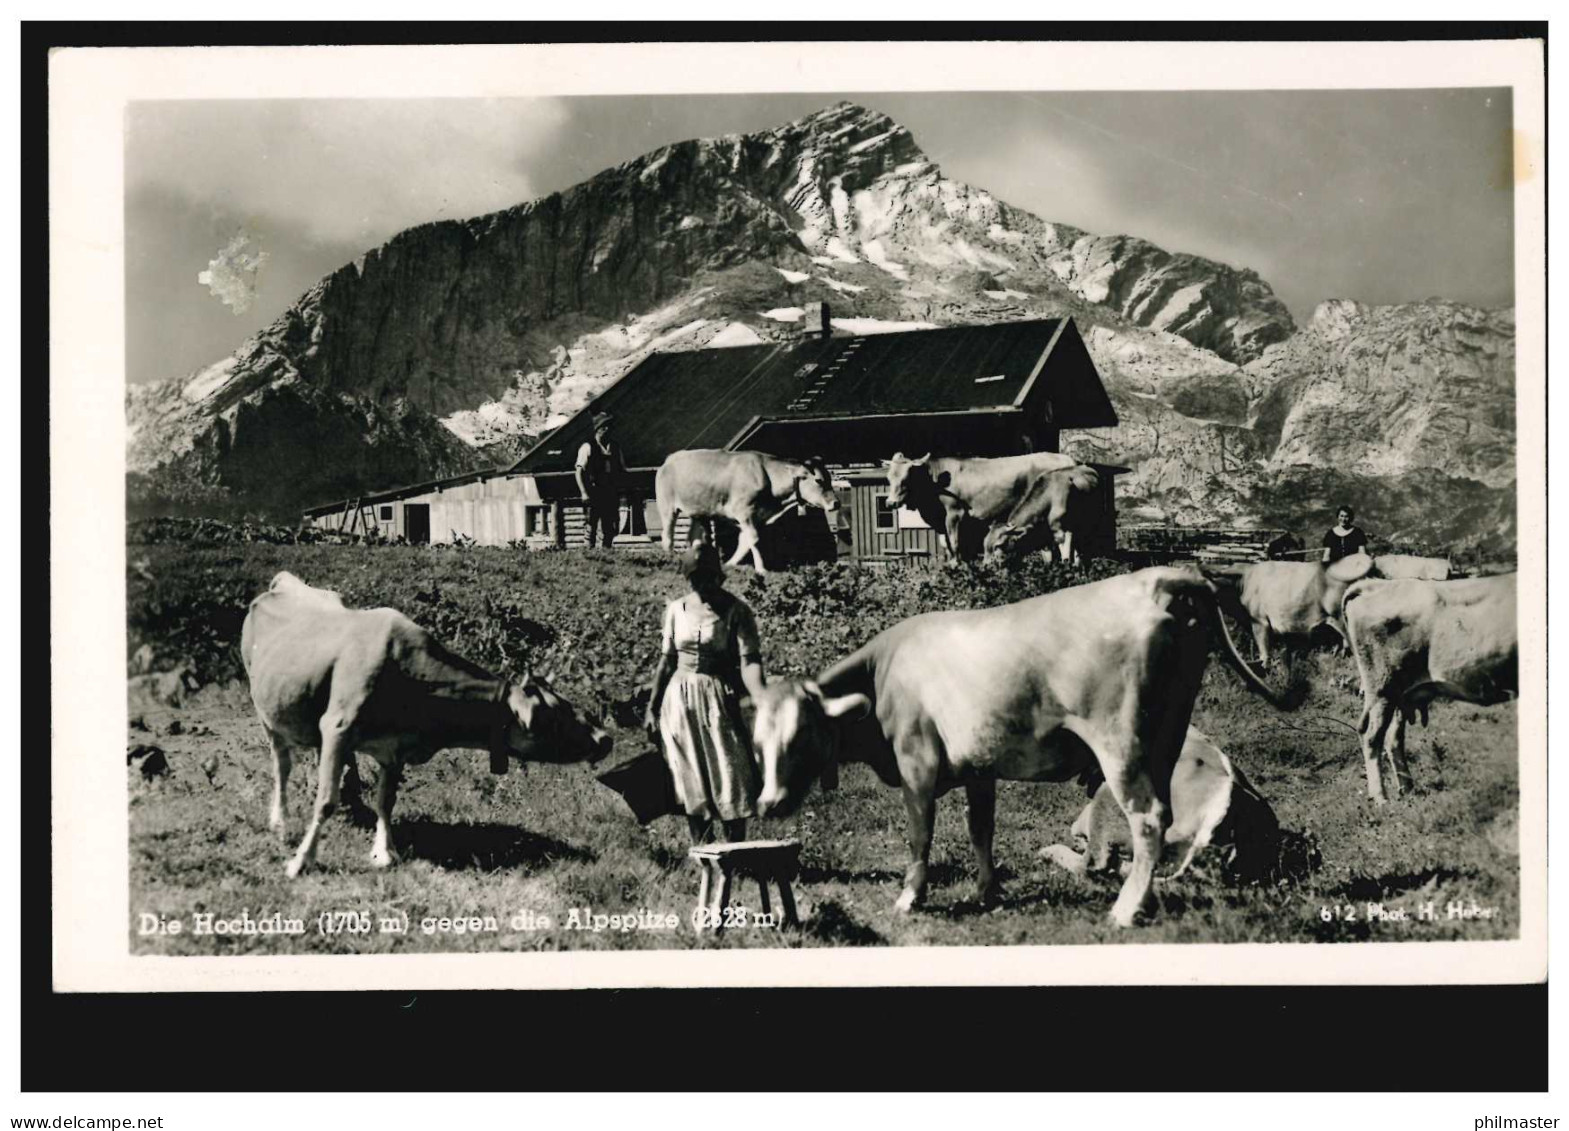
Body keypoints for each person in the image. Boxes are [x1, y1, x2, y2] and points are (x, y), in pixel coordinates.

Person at [643, 542, 767, 845]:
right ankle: (703, 852)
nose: (703, 585)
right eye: (696, 579)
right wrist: (652, 706)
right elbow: (667, 661)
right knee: (688, 772)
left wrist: (761, 698)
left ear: (719, 576)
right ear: (689, 578)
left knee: (729, 769)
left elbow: (749, 661)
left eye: (709, 577)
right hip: (679, 701)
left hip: (718, 698)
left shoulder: (737, 611)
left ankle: (736, 849)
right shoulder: (676, 610)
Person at [575, 411, 627, 549]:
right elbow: (579, 472)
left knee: (609, 525)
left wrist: (621, 491)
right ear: (597, 429)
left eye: (609, 426)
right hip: (594, 490)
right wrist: (584, 492)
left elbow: (622, 471)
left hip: (610, 491)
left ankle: (606, 553)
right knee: (591, 524)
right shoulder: (587, 447)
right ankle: (589, 554)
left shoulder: (615, 447)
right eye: (604, 426)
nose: (608, 430)